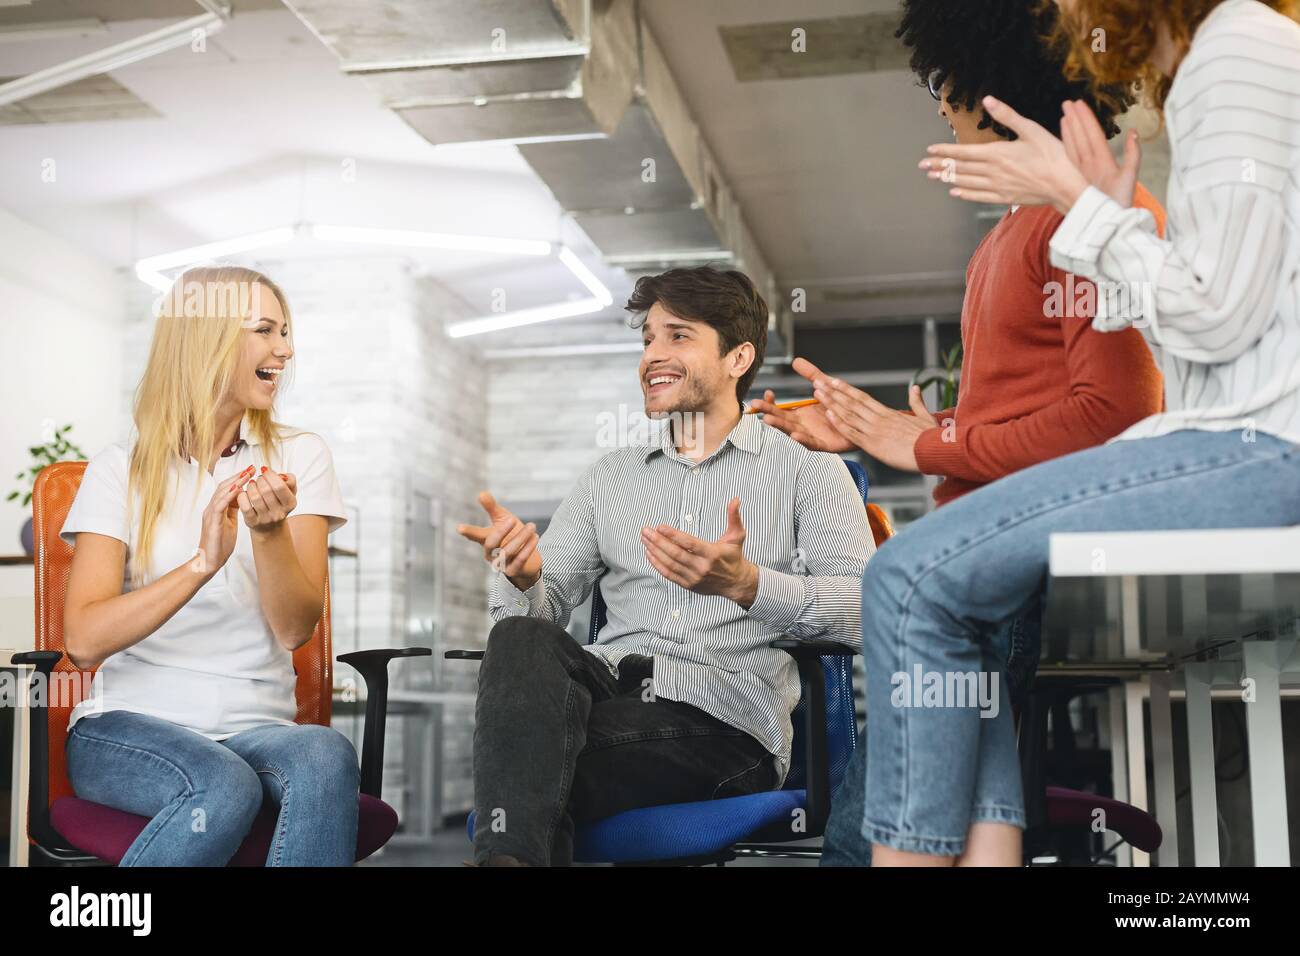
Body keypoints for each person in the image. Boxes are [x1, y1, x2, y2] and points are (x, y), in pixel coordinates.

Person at [845, 0, 1300, 865]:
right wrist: (1102, 218)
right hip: (1242, 432)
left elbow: (1213, 319)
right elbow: (1203, 337)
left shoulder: (1236, 44)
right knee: (940, 605)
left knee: (907, 580)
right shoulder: (1220, 56)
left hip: (1265, 446)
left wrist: (1083, 210)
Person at [751, 0, 1168, 865]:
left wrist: (928, 446)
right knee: (967, 814)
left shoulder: (1078, 218)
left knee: (869, 838)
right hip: (981, 556)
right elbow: (1024, 411)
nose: (940, 105)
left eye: (945, 84)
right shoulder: (1014, 234)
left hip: (999, 564)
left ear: (994, 83)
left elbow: (1114, 416)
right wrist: (882, 429)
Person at [456, 266, 875, 866]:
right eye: (647, 338)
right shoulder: (610, 478)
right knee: (521, 637)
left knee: (523, 775)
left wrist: (748, 585)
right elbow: (540, 615)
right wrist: (522, 577)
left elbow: (868, 611)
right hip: (606, 701)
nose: (653, 354)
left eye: (678, 336)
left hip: (724, 726)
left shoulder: (810, 475)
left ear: (738, 358)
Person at [61, 266, 359, 866]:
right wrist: (202, 563)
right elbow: (85, 641)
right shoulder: (121, 470)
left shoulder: (301, 456)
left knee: (326, 753)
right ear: (207, 339)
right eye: (266, 331)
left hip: (256, 728)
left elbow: (295, 629)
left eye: (286, 331)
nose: (286, 348)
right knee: (222, 783)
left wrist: (268, 531)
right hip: (129, 728)